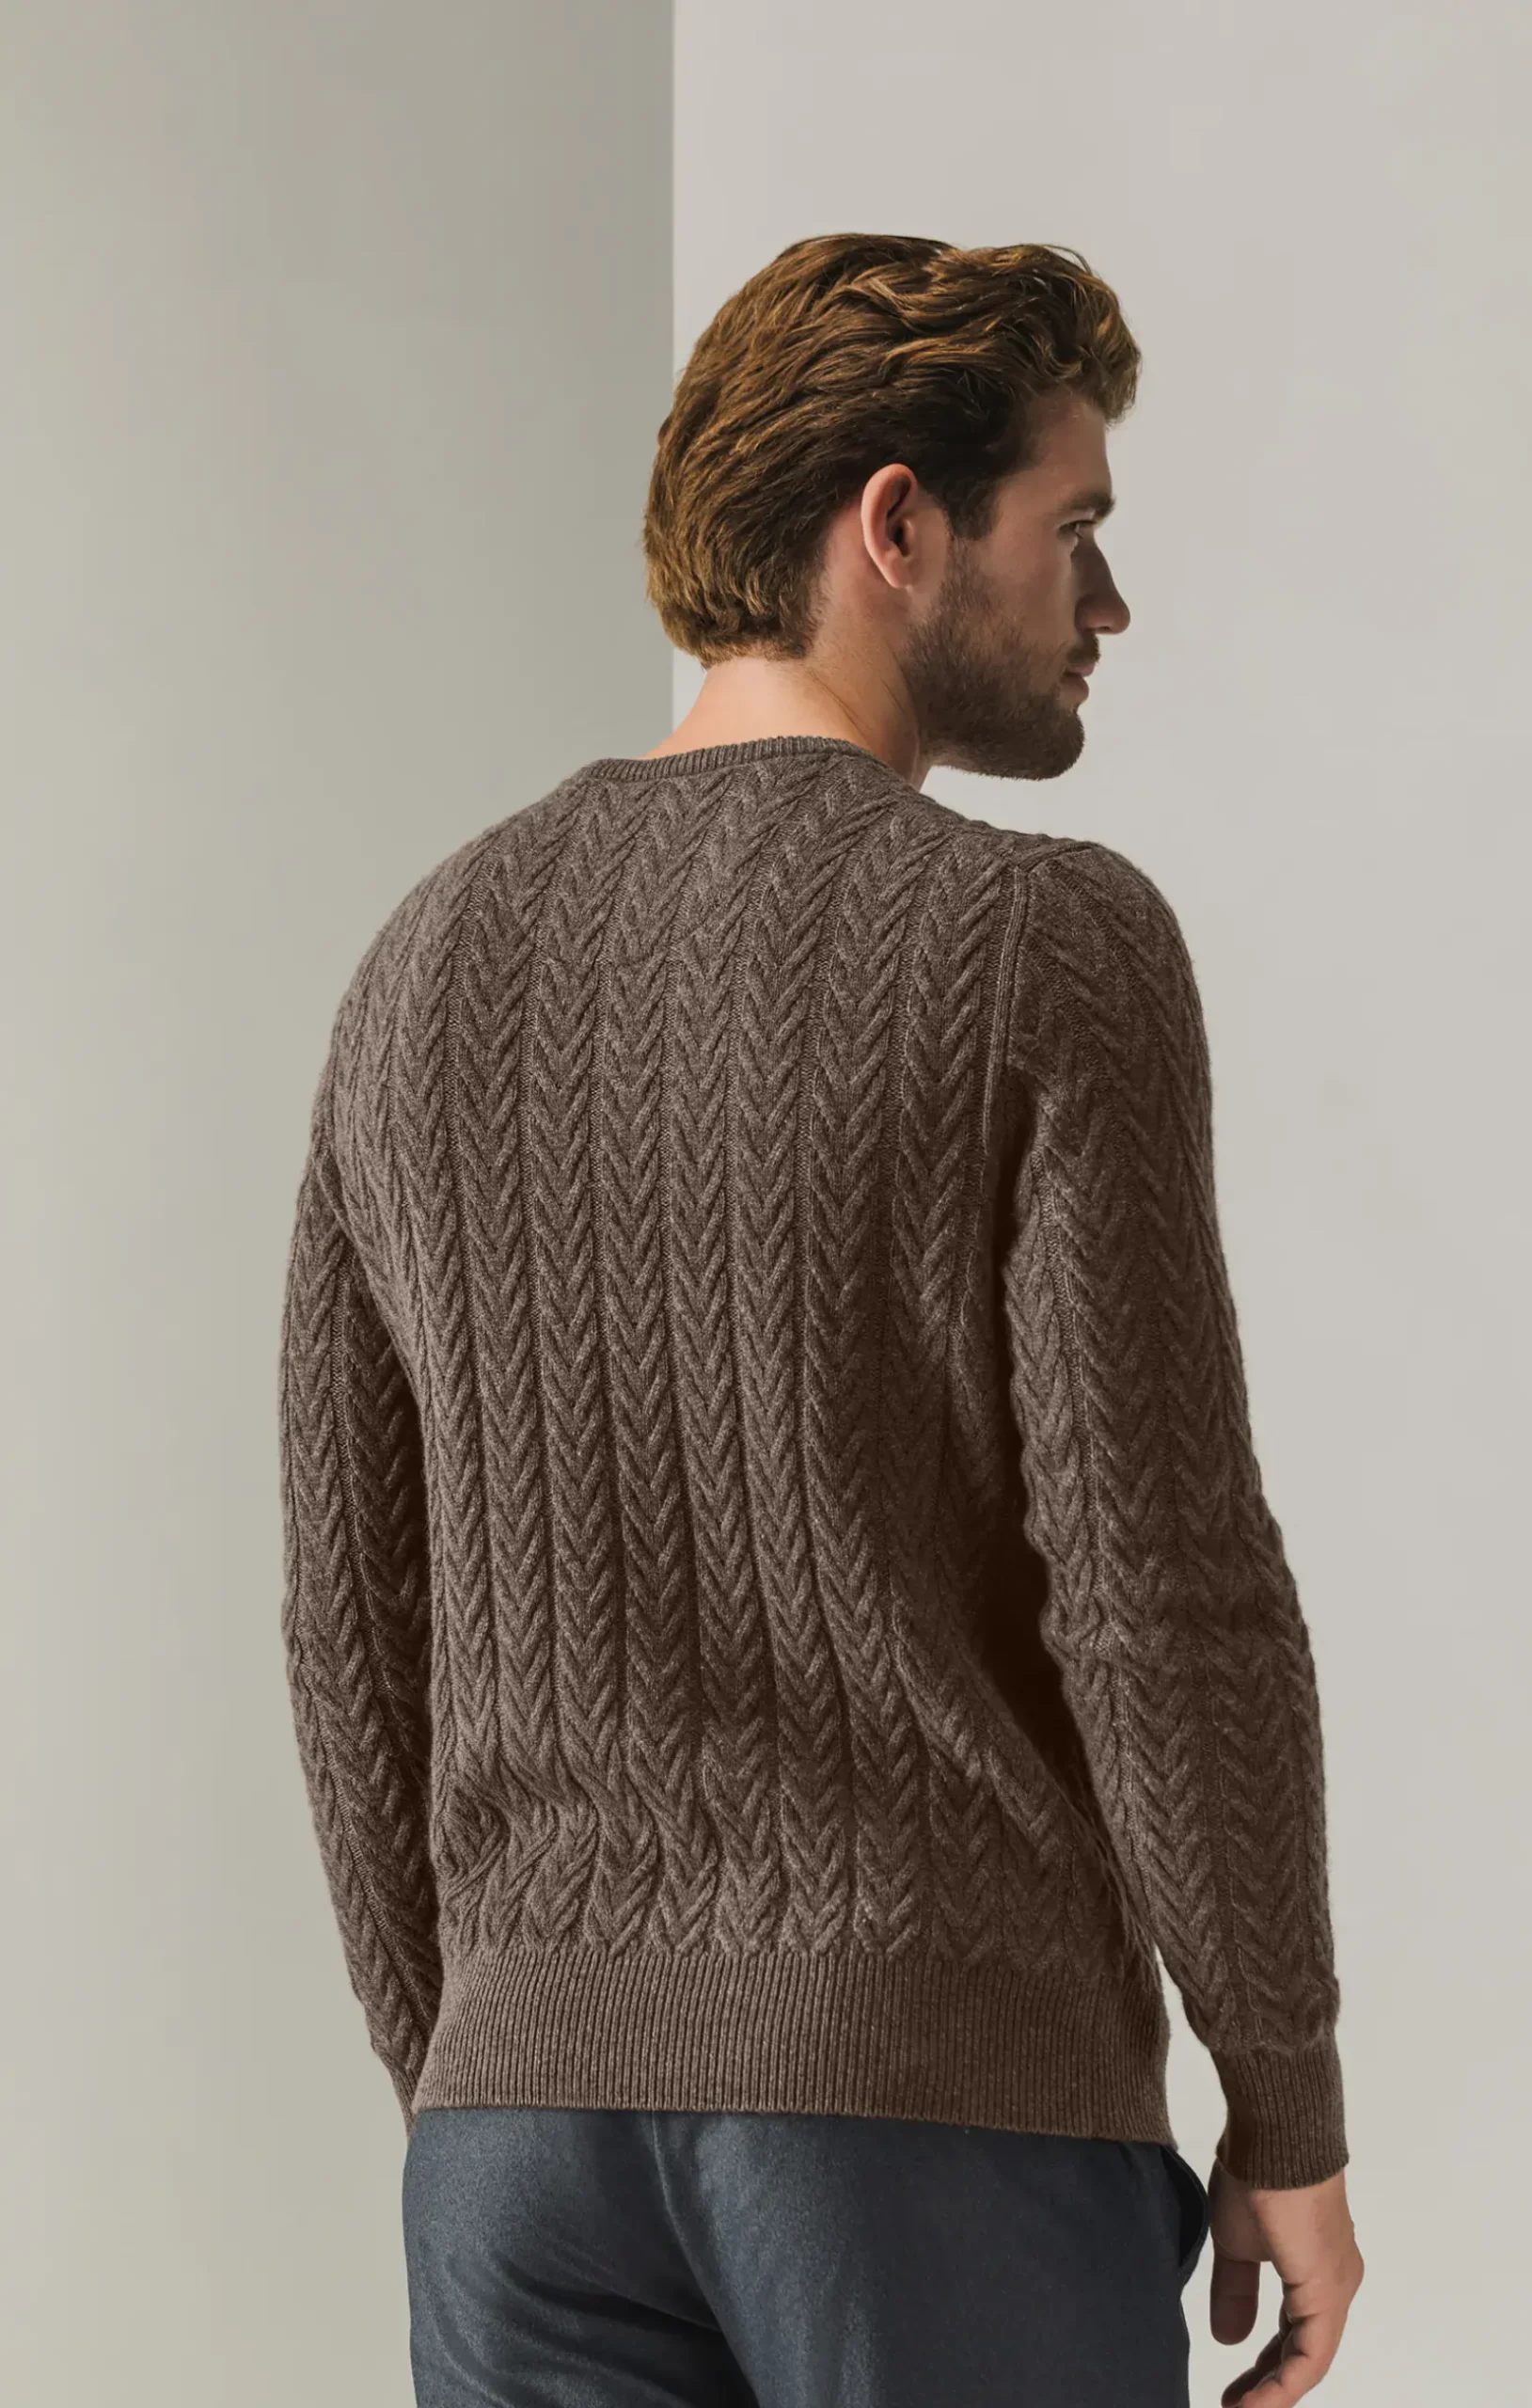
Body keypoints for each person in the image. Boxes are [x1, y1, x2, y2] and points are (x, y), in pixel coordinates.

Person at [277, 231, 1364, 2408]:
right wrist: (1286, 2095)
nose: (1107, 604)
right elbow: (1157, 1580)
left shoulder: (422, 961)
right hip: (924, 2110)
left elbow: (350, 1616)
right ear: (898, 523)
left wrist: (478, 2053)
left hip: (513, 2146)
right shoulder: (1040, 944)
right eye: (1073, 526)